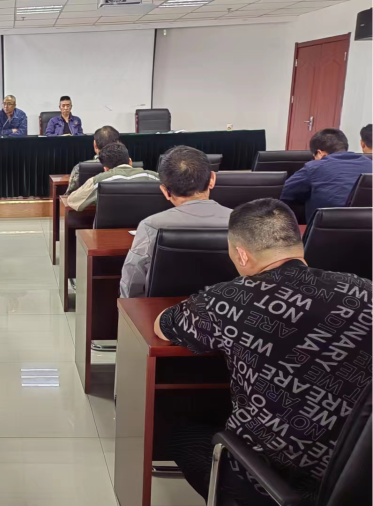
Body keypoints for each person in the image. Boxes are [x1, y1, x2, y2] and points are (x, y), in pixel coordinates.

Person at [153, 198, 372, 506]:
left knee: (181, 436)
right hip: (359, 477)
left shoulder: (226, 300)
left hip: (268, 482)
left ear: (242, 254)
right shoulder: (364, 289)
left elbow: (163, 325)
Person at [120, 146, 232, 298]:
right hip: (227, 308)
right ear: (212, 179)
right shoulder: (241, 222)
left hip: (161, 309)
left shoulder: (151, 225)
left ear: (165, 191)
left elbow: (132, 280)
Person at [280, 128, 372, 220]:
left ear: (320, 153)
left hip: (328, 226)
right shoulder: (370, 163)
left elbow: (285, 193)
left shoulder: (314, 167)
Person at [67, 142, 159, 211]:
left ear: (105, 168)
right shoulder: (154, 177)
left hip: (106, 230)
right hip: (146, 229)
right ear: (130, 162)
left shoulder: (99, 180)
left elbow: (73, 201)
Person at [65, 125, 120, 195]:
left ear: (95, 145)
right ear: (119, 144)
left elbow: (70, 195)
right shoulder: (128, 166)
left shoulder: (79, 169)